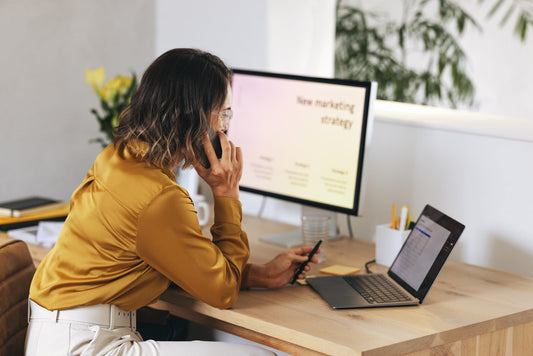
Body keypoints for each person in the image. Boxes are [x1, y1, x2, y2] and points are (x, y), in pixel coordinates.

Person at [25, 48, 318, 356]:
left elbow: (179, 263)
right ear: (193, 117)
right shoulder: (159, 196)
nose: (226, 128)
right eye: (223, 114)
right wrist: (226, 192)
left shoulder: (119, 157)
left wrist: (261, 275)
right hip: (88, 346)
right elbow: (223, 292)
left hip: (62, 336)